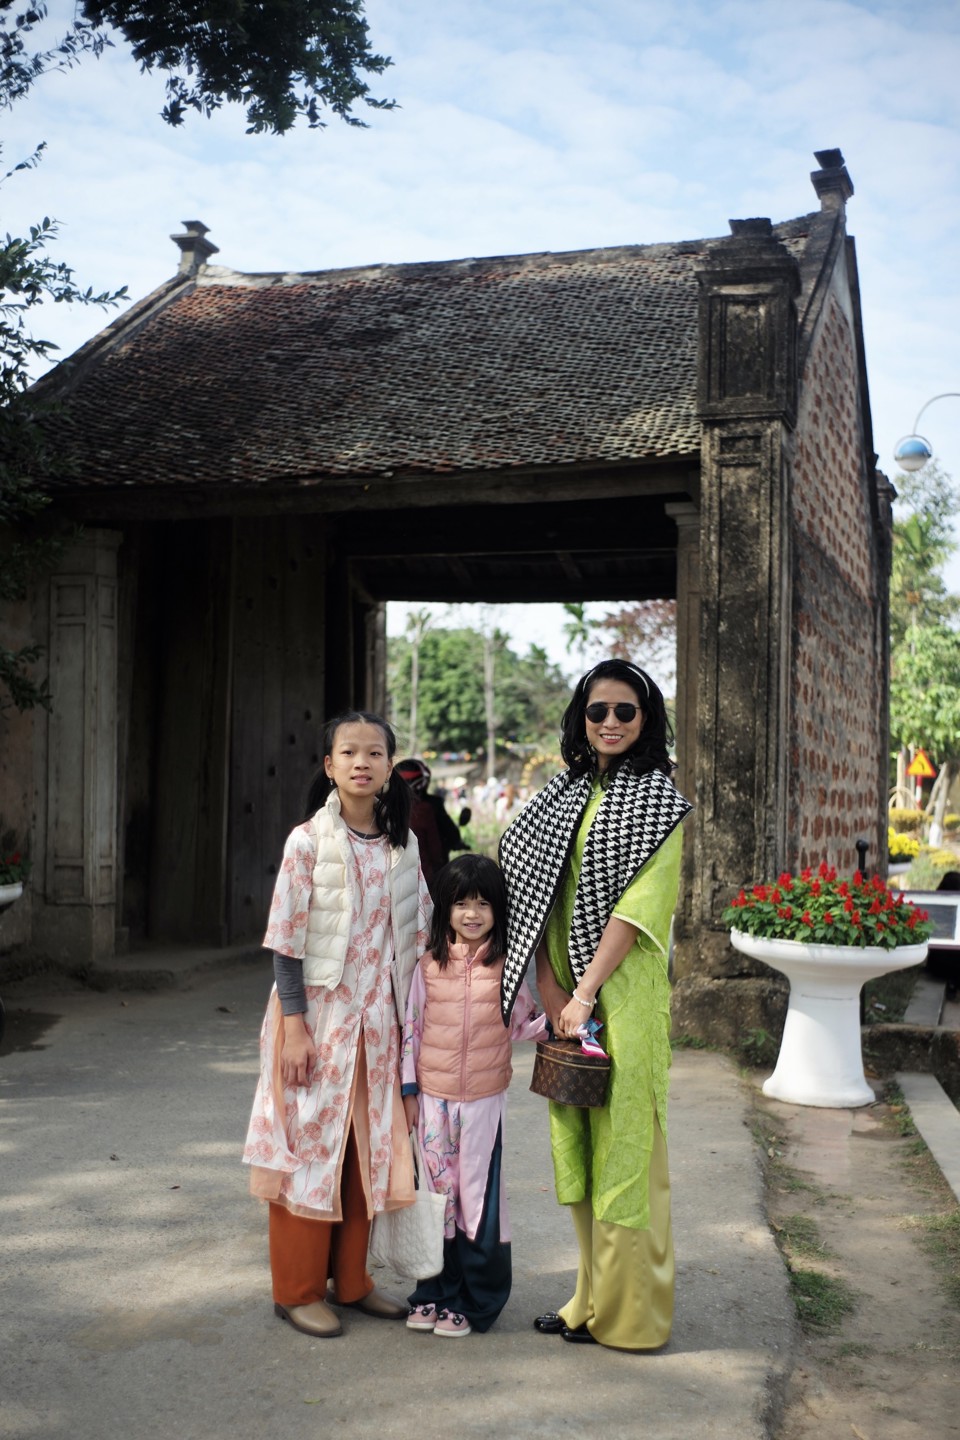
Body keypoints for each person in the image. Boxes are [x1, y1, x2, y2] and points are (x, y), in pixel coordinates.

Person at [498, 659, 692, 1350]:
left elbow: (638, 911)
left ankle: (632, 1315)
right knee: (576, 1142)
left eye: (625, 711)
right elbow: (535, 897)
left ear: (647, 719)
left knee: (627, 1146)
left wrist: (584, 994)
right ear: (581, 718)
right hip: (564, 996)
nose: (610, 723)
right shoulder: (564, 794)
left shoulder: (659, 800)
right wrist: (550, 992)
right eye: (597, 711)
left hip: (624, 997)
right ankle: (588, 1298)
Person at [242, 710, 434, 1339]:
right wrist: (294, 1026)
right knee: (306, 1153)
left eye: (374, 753)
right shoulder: (308, 842)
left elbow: (419, 935)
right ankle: (296, 1290)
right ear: (329, 765)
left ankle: (352, 1282)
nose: (361, 762)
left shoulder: (402, 847)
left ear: (388, 767)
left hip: (378, 1028)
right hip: (317, 1023)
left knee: (364, 1154)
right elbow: (286, 943)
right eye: (348, 752)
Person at [400, 853, 545, 1337]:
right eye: (462, 903)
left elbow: (524, 1024)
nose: (472, 913)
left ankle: (476, 1301)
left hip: (484, 1103)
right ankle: (431, 1294)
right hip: (433, 1102)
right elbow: (411, 1033)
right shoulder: (427, 967)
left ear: (498, 911)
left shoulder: (508, 969)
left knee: (477, 1203)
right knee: (435, 1201)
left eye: (484, 903)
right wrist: (408, 1092)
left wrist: (566, 1028)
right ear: (446, 908)